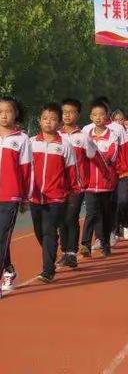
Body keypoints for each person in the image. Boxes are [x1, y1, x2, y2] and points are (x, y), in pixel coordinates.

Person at [30, 103, 79, 283]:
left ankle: (48, 270)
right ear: (39, 121)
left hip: (56, 197)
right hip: (34, 196)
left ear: (59, 123)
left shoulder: (65, 145)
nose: (48, 122)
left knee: (48, 231)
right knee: (39, 231)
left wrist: (74, 192)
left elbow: (72, 171)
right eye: (45, 118)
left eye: (52, 119)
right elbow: (25, 170)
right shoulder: (31, 143)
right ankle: (50, 249)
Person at [80, 100, 128, 258]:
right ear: (90, 116)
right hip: (89, 183)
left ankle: (105, 243)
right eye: (95, 115)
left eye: (101, 115)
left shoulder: (113, 135)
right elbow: (82, 156)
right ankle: (85, 243)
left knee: (106, 214)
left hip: (107, 183)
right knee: (91, 213)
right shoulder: (86, 134)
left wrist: (94, 155)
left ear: (107, 117)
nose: (98, 118)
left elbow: (112, 156)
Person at [58, 98, 103, 268]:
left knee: (71, 217)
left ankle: (71, 253)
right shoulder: (57, 136)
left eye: (71, 112)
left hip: (77, 185)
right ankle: (65, 251)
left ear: (78, 115)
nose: (67, 115)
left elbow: (95, 157)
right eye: (64, 112)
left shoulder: (83, 137)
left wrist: (106, 174)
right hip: (59, 185)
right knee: (62, 219)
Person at [0, 97, 31, 297]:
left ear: (16, 113)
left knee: (2, 236)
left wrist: (25, 197)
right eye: (0, 111)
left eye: (8, 111)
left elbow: (27, 170)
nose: (4, 115)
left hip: (10, 195)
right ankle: (8, 268)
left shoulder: (21, 139)